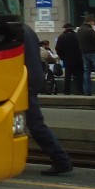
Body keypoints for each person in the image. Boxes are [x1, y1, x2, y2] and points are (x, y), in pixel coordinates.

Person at [23, 24, 73, 175]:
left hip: (23, 80)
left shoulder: (12, 29)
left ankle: (61, 160)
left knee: (35, 124)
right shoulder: (27, 29)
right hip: (33, 76)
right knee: (34, 123)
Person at [76, 15, 95, 96]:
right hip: (94, 52)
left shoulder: (79, 30)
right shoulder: (90, 30)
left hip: (84, 52)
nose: (94, 23)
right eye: (93, 22)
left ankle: (87, 91)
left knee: (86, 72)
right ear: (91, 21)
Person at [54, 22, 82, 96]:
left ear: (65, 28)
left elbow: (58, 48)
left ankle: (66, 91)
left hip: (67, 59)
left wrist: (62, 57)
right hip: (78, 58)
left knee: (67, 75)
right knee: (78, 75)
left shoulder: (62, 37)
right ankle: (79, 90)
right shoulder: (77, 36)